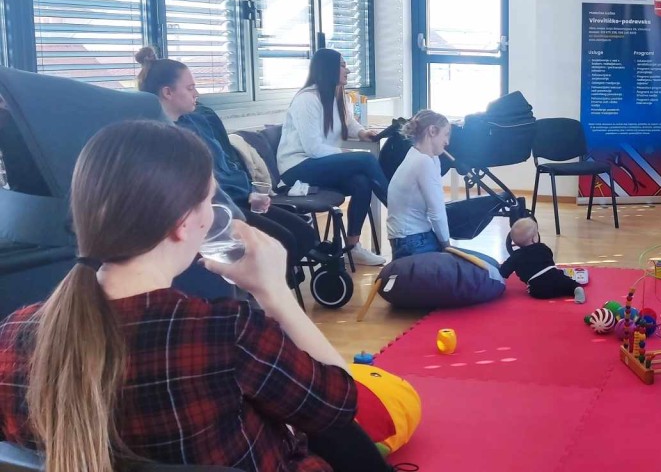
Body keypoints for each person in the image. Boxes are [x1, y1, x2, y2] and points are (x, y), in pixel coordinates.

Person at [0, 120, 391, 472]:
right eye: (210, 200)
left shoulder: (12, 334)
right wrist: (275, 291)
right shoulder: (224, 332)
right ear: (183, 223)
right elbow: (338, 407)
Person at [135, 47, 318, 286]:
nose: (196, 93)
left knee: (304, 234)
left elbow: (226, 166)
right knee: (285, 242)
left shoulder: (198, 121)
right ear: (167, 92)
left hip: (239, 199)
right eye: (190, 88)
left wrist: (250, 193)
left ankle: (273, 285)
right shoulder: (162, 137)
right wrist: (243, 198)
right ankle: (262, 292)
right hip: (215, 210)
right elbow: (201, 187)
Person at [278, 48, 388, 266]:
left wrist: (362, 133)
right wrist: (345, 154)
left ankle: (352, 247)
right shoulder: (306, 100)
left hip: (320, 165)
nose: (348, 70)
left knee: (362, 181)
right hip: (297, 168)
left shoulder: (339, 96)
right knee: (366, 160)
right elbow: (313, 149)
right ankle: (401, 210)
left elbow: (348, 122)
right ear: (328, 69)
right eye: (342, 65)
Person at [387, 109, 453, 259]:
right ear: (432, 131)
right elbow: (437, 213)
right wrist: (447, 246)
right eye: (445, 134)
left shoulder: (418, 156)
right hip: (413, 240)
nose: (447, 141)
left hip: (407, 238)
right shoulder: (423, 162)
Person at [500, 218, 586, 303]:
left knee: (534, 289)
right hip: (555, 277)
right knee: (566, 282)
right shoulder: (543, 247)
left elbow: (503, 272)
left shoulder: (515, 256)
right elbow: (550, 260)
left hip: (538, 289)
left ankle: (557, 291)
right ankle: (576, 289)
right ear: (534, 239)